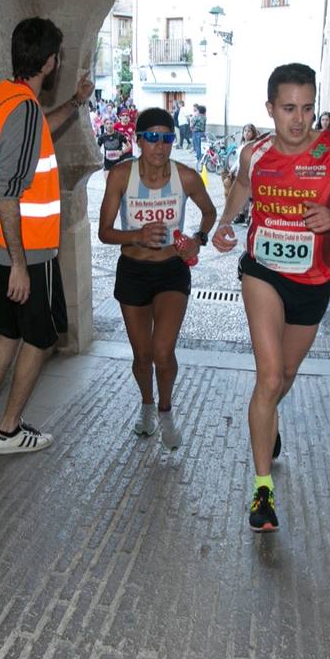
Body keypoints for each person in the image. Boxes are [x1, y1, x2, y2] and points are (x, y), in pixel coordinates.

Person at [212, 63, 330, 532]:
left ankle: (269, 419)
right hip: (262, 271)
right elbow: (242, 185)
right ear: (270, 109)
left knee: (285, 378)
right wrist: (226, 222)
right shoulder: (253, 152)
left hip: (313, 281)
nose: (298, 120)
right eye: (287, 109)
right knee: (270, 374)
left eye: (306, 108)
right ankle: (263, 490)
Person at [0, 17, 93, 454]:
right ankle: (9, 430)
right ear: (50, 61)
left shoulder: (3, 97)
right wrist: (21, 264)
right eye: (58, 56)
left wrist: (75, 103)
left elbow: (33, 132)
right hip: (26, 254)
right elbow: (8, 190)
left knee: (7, 331)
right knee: (40, 337)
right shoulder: (24, 109)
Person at [99, 108, 216, 449]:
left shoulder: (186, 177)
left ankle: (166, 412)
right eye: (152, 138)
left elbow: (209, 212)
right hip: (133, 271)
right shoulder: (121, 175)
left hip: (171, 271)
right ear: (138, 141)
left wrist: (199, 238)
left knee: (163, 352)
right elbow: (105, 233)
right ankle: (146, 407)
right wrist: (135, 235)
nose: (160, 146)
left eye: (166, 138)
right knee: (142, 356)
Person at [225, 123, 260, 225]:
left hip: (250, 173)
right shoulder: (242, 145)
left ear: (253, 132)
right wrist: (232, 170)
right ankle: (241, 214)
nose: (246, 133)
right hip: (240, 173)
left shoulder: (255, 144)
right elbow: (238, 160)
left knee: (250, 196)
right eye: (245, 131)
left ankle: (249, 217)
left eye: (249, 131)